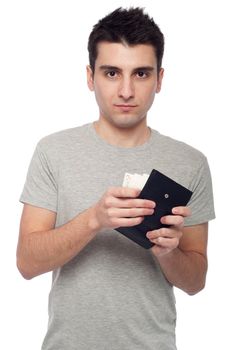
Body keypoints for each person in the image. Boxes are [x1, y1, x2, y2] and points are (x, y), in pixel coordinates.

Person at [17, 7, 215, 350]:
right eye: (111, 73)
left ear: (160, 79)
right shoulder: (53, 151)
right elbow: (27, 263)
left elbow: (196, 281)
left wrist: (166, 251)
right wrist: (94, 219)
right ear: (90, 77)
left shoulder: (190, 162)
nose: (126, 90)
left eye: (140, 74)